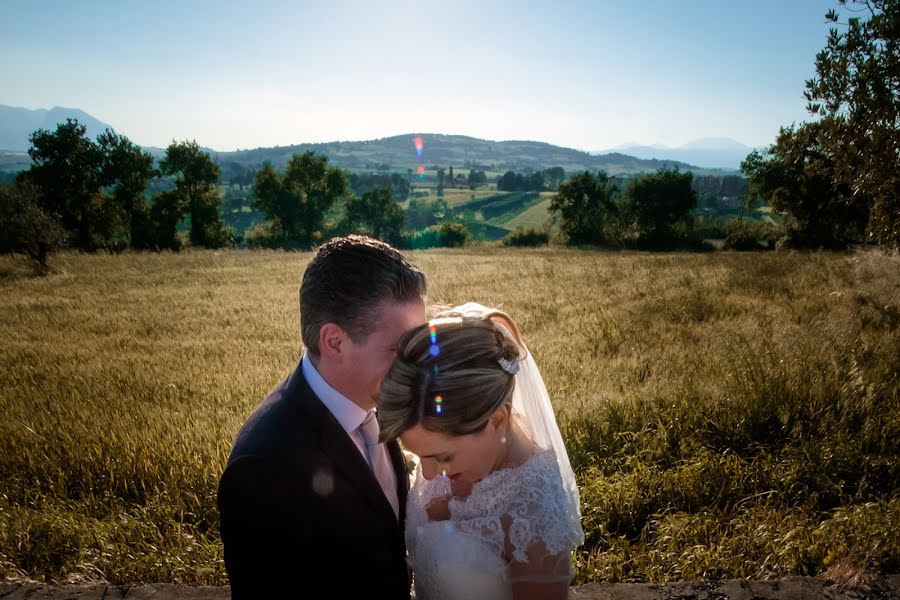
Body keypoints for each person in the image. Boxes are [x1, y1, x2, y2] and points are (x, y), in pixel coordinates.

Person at [217, 235, 427, 599]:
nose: (416, 364)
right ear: (334, 342)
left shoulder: (375, 400)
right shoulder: (264, 464)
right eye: (398, 349)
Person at [378, 302, 585, 600]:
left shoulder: (536, 512)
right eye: (416, 455)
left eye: (442, 456)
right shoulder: (442, 446)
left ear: (497, 420)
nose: (427, 473)